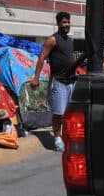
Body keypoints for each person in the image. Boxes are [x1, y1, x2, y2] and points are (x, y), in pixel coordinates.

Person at [30, 12, 77, 152]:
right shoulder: (52, 40)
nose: (66, 25)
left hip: (71, 82)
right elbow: (41, 58)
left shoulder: (69, 41)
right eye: (64, 22)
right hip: (59, 82)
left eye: (68, 22)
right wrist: (36, 78)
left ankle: (66, 136)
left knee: (69, 113)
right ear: (58, 23)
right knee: (58, 113)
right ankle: (57, 139)